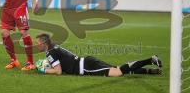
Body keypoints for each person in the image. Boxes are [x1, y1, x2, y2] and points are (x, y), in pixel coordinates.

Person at [35, 33, 163, 76]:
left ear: (44, 43)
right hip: (86, 62)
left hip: (86, 67)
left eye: (38, 43)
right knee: (118, 69)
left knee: (118, 72)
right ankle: (150, 71)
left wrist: (43, 70)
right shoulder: (53, 48)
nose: (37, 45)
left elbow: (58, 71)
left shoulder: (51, 53)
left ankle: (150, 60)